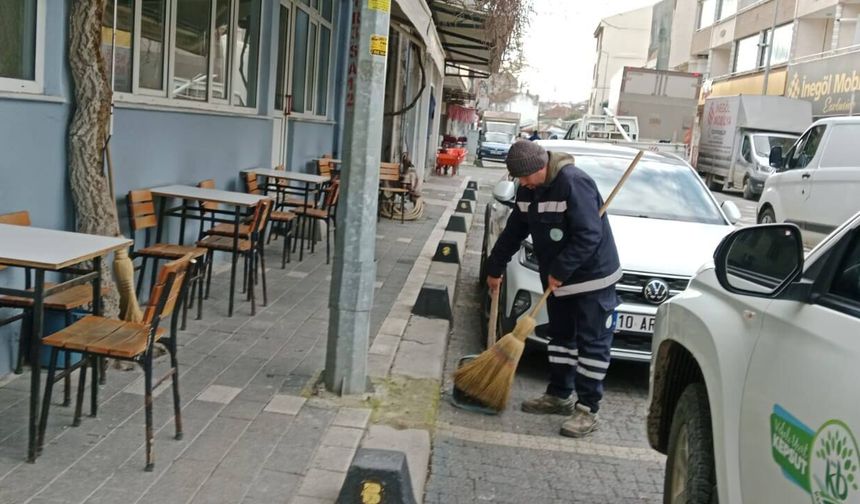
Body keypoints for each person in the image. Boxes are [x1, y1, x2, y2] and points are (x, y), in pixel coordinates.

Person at [484, 140, 621, 438]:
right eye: (518, 179)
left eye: (525, 177)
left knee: (592, 345)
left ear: (541, 168)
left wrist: (560, 270)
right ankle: (558, 395)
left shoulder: (574, 183)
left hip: (591, 280)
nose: (522, 184)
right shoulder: (528, 190)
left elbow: (589, 235)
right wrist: (494, 268)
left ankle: (587, 410)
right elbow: (514, 231)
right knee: (561, 339)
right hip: (558, 281)